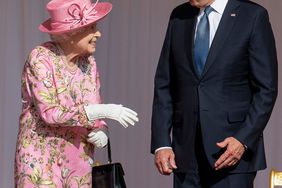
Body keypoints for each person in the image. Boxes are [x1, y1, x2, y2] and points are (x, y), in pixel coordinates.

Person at [151, 0, 277, 187]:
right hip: (186, 154)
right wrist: (162, 143)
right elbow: (165, 83)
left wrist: (242, 140)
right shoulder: (179, 15)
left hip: (232, 153)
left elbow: (266, 89)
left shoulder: (252, 15)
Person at [14, 0, 139, 187]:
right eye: (92, 28)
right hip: (42, 161)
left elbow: (94, 103)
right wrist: (103, 111)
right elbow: (51, 113)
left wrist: (101, 128)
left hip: (77, 162)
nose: (98, 33)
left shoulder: (89, 63)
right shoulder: (41, 57)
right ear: (70, 33)